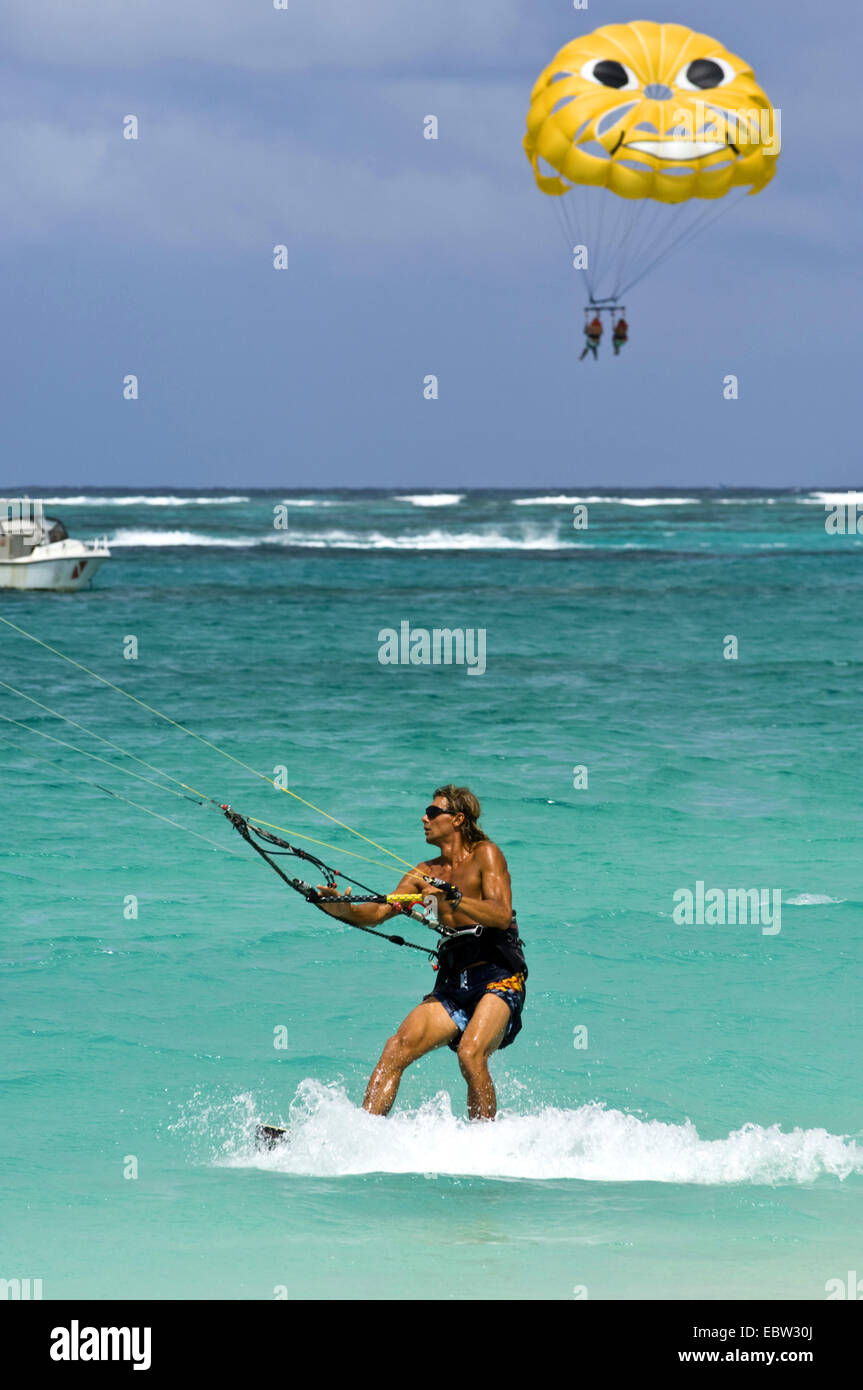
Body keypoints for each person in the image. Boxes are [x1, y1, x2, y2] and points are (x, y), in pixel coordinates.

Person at [316, 786, 527, 1120]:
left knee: (471, 1054)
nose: (423, 818)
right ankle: (361, 1135)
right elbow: (378, 912)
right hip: (453, 985)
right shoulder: (423, 874)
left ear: (457, 819)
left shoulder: (486, 854)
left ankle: (486, 1144)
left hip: (498, 977)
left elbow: (501, 914)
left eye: (432, 812)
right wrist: (340, 908)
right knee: (395, 1049)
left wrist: (452, 898)